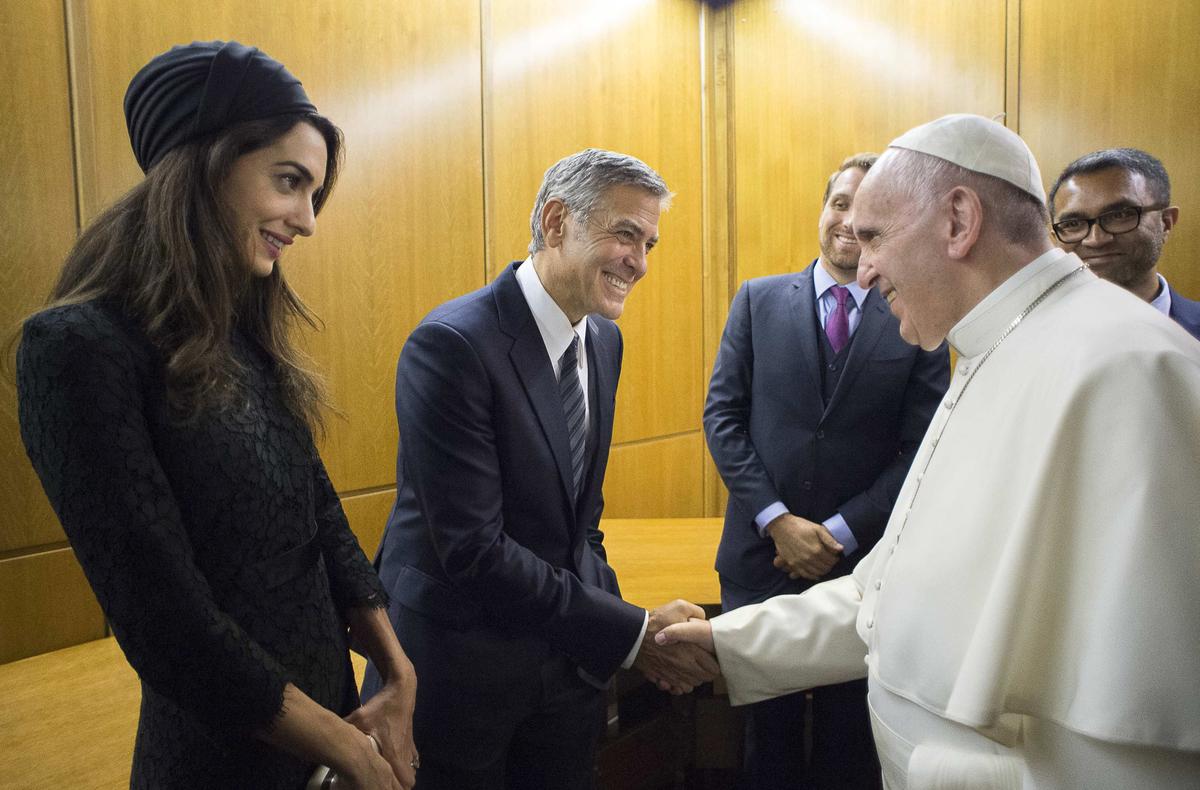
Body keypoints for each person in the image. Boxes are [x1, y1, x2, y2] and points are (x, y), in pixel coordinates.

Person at [658, 115, 1200, 789]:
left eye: (876, 237)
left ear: (958, 220)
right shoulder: (988, 347)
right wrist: (725, 643)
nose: (866, 265)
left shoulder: (1131, 369)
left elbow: (1140, 730)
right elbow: (886, 593)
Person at [16, 41, 417, 790]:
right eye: (289, 182)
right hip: (220, 756)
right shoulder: (75, 348)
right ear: (207, 165)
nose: (306, 221)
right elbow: (166, 624)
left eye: (314, 192)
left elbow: (317, 511)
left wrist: (396, 673)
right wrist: (346, 747)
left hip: (327, 728)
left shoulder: (241, 326)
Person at [363, 148, 719, 789]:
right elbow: (476, 551)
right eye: (624, 235)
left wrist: (627, 634)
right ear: (557, 223)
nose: (638, 263)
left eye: (649, 244)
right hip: (461, 673)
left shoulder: (603, 341)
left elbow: (579, 523)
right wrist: (634, 632)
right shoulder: (453, 344)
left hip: (562, 668)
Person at [704, 152, 947, 789]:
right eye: (840, 202)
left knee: (850, 747)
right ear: (824, 208)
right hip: (759, 562)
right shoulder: (756, 301)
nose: (848, 221)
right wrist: (777, 520)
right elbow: (723, 418)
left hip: (864, 564)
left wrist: (837, 531)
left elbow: (921, 448)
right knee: (766, 748)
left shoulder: (917, 317)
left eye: (867, 212)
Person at [1049, 147, 1200, 339]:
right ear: (1054, 238)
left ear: (1166, 222)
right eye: (1073, 224)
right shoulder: (1030, 337)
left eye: (1120, 215)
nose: (1096, 240)